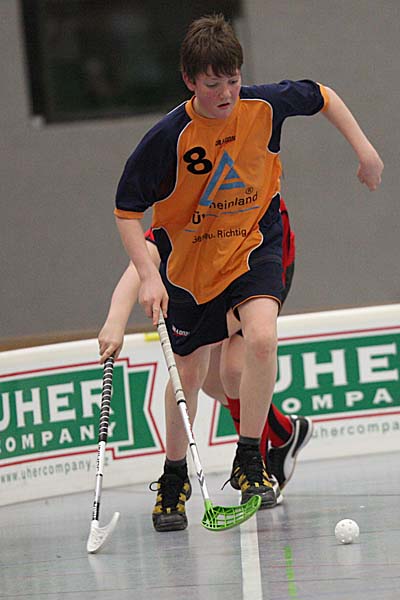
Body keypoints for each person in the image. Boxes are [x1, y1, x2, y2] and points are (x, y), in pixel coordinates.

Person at [112, 14, 383, 532]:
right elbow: (127, 210)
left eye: (233, 81)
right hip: (192, 266)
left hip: (255, 244)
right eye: (213, 85)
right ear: (190, 81)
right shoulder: (168, 137)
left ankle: (251, 456)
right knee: (191, 374)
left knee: (261, 338)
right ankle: (174, 477)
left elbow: (323, 96)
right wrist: (148, 275)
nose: (226, 94)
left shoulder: (263, 105)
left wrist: (365, 151)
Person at [99, 199, 311, 498]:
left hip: (261, 267)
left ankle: (257, 466)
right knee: (210, 380)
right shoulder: (183, 207)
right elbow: (143, 261)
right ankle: (285, 432)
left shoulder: (254, 202)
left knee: (234, 369)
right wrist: (115, 322)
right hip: (211, 278)